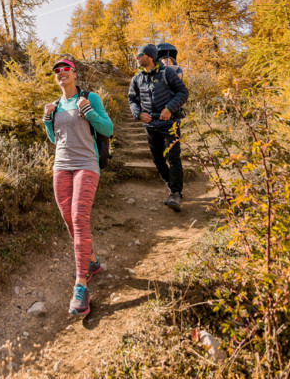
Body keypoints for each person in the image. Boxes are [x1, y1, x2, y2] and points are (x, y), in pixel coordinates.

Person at [43, 58, 113, 317]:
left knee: (79, 218)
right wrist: (46, 120)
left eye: (65, 69)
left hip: (86, 164)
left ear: (74, 73)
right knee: (68, 220)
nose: (61, 73)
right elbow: (54, 139)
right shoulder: (56, 104)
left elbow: (108, 127)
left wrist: (89, 112)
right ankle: (92, 261)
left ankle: (81, 285)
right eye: (57, 71)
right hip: (61, 166)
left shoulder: (89, 97)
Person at [128, 44, 189, 211]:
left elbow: (183, 92)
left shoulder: (167, 73)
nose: (137, 57)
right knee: (157, 159)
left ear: (151, 56)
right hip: (150, 125)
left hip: (170, 123)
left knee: (173, 157)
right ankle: (172, 185)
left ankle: (175, 193)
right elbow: (132, 99)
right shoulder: (137, 79)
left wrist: (169, 108)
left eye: (140, 54)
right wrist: (139, 114)